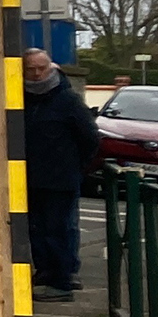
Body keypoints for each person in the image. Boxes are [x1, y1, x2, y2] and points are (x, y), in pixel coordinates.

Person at [22, 48, 100, 298]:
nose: (36, 74)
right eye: (30, 69)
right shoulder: (20, 98)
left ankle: (61, 280)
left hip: (61, 178)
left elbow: (89, 137)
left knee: (59, 228)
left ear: (51, 68)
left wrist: (77, 167)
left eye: (40, 68)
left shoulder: (67, 100)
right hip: (31, 178)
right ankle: (46, 273)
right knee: (37, 229)